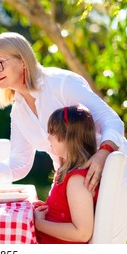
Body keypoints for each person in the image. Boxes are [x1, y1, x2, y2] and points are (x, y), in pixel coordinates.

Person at [0, 32, 127, 243]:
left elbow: (111, 120)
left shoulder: (60, 83)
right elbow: (19, 163)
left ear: (22, 61)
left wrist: (103, 154)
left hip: (114, 172)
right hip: (74, 186)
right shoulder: (19, 110)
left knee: (104, 247)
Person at [34, 105, 98, 244]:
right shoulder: (68, 173)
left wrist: (40, 224)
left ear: (66, 137)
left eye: (51, 132)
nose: (48, 138)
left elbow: (82, 233)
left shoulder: (77, 181)